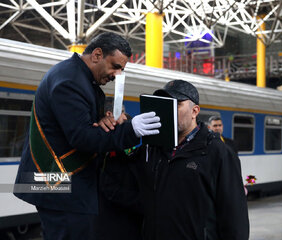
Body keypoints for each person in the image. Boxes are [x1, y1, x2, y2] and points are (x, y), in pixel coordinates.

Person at [13, 32, 161, 240]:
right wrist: (131, 130)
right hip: (60, 185)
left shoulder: (79, 78)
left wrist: (105, 121)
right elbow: (82, 137)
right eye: (115, 66)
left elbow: (85, 126)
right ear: (97, 54)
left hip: (63, 184)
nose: (117, 75)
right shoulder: (70, 82)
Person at [135, 80, 249, 240]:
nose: (169, 110)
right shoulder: (152, 149)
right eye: (166, 104)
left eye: (177, 104)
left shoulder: (217, 151)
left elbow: (234, 214)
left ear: (195, 111)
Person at [93, 107, 143, 240]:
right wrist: (144, 204)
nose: (126, 117)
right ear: (109, 114)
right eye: (121, 112)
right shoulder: (105, 147)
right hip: (115, 224)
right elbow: (110, 188)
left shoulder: (121, 144)